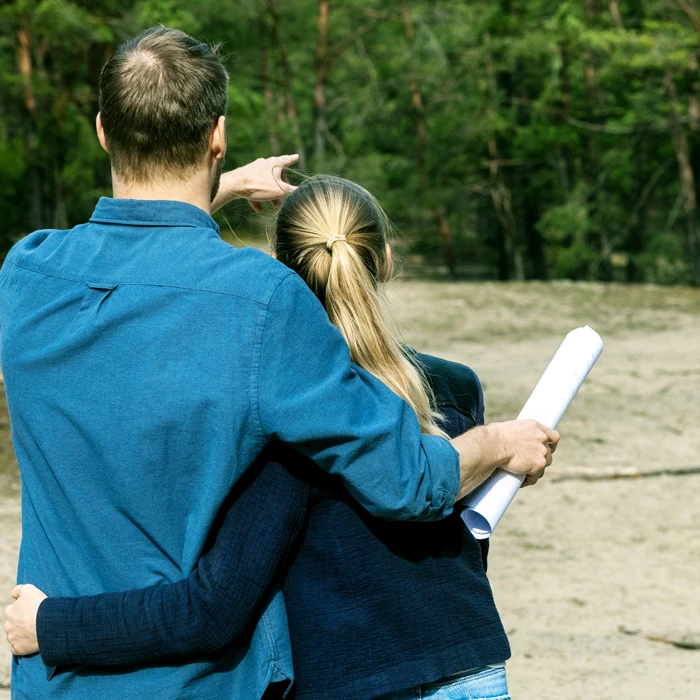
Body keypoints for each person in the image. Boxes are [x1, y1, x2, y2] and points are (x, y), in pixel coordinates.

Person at [1, 27, 556, 700]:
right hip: (201, 683)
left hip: (53, 676)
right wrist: (500, 441)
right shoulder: (262, 303)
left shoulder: (27, 275)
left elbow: (128, 254)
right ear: (218, 135)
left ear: (101, 131)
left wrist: (219, 190)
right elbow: (408, 480)